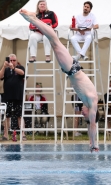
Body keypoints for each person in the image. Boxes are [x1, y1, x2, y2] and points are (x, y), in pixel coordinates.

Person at [19, 9, 99, 152]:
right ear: (93, 113)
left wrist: (90, 143)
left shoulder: (89, 104)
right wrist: (95, 144)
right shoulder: (92, 102)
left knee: (54, 42)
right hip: (73, 69)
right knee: (54, 41)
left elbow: (89, 124)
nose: (82, 113)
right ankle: (34, 20)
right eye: (85, 115)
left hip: (71, 70)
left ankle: (35, 21)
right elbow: (93, 124)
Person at [0, 54, 26, 141]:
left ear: (16, 60)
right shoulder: (6, 70)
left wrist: (13, 68)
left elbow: (22, 73)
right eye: (10, 60)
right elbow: (0, 76)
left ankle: (23, 134)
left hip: (18, 96)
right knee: (7, 116)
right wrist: (4, 66)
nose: (12, 62)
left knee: (20, 115)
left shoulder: (20, 67)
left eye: (13, 60)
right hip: (7, 96)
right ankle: (6, 134)